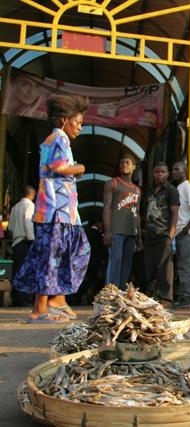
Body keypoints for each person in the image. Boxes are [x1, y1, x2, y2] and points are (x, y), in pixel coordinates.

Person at [12, 94, 91, 323]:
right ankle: (40, 310)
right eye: (79, 123)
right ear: (65, 120)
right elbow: (57, 166)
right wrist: (80, 167)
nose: (81, 128)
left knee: (69, 252)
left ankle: (57, 298)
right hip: (54, 211)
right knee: (52, 257)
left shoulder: (57, 139)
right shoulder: (59, 138)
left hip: (63, 211)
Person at [102, 154, 142, 290]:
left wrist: (139, 237)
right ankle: (110, 292)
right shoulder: (112, 183)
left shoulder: (137, 190)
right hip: (116, 230)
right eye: (121, 163)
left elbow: (137, 214)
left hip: (131, 231)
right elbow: (107, 207)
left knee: (127, 264)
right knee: (115, 261)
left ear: (134, 167)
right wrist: (107, 231)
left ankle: (121, 293)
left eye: (127, 162)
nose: (124, 164)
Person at [143, 162, 179, 306]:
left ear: (168, 174)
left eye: (162, 172)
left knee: (165, 269)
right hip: (149, 235)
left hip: (164, 235)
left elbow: (175, 213)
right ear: (153, 173)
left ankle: (166, 299)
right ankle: (151, 298)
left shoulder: (171, 190)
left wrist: (170, 235)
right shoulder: (149, 191)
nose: (159, 174)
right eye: (157, 172)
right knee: (149, 268)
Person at [171, 160, 190, 308]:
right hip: (179, 233)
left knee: (185, 267)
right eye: (173, 170)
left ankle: (188, 298)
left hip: (186, 233)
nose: (174, 172)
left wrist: (187, 228)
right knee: (181, 266)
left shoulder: (187, 187)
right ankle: (184, 296)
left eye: (177, 169)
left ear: (185, 171)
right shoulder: (179, 187)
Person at [8, 185, 36, 307]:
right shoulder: (29, 205)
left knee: (16, 271)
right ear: (32, 194)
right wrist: (32, 238)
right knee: (25, 271)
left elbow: (9, 227)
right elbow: (28, 221)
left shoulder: (15, 207)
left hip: (16, 242)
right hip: (25, 241)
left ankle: (15, 298)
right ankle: (22, 299)